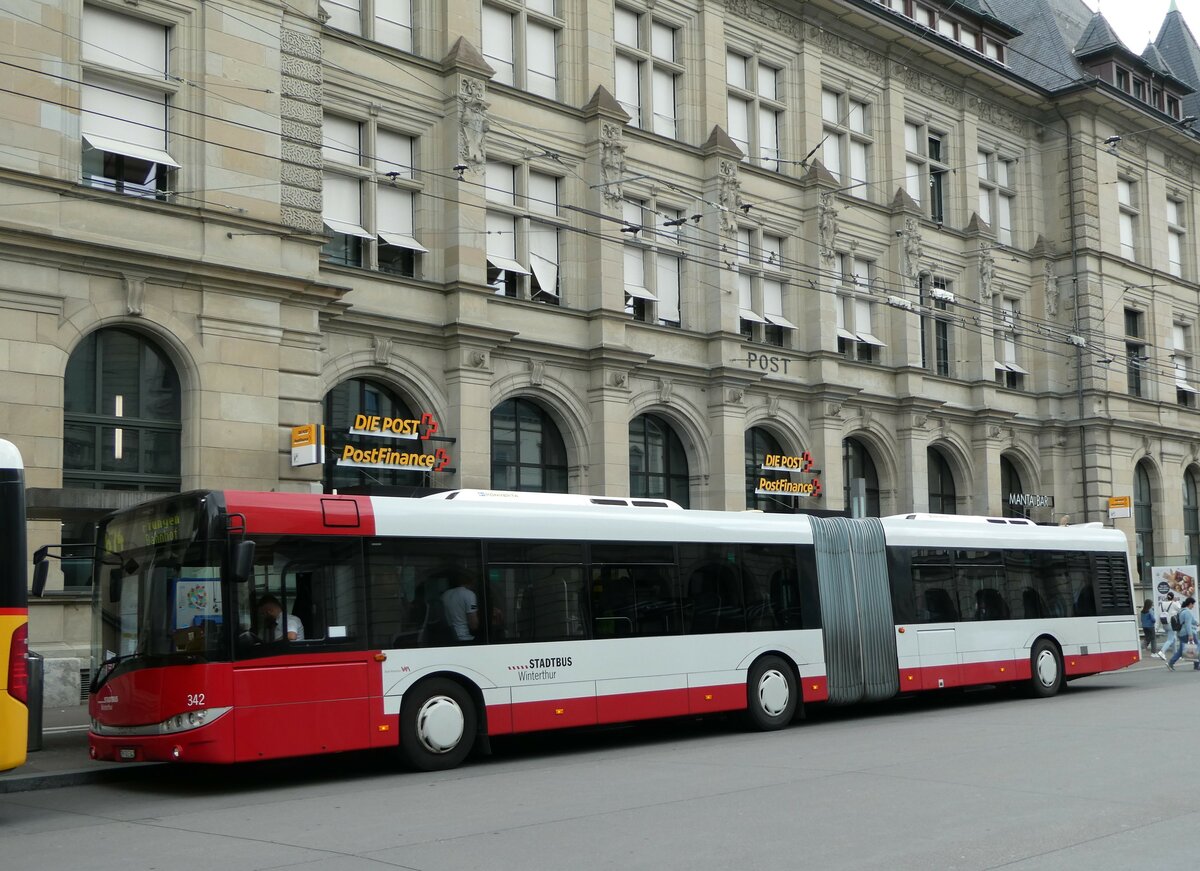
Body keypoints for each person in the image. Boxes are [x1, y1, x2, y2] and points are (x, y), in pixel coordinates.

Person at [440, 569, 479, 642]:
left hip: (449, 636)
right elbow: (473, 624)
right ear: (470, 582)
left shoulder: (445, 594)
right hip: (464, 637)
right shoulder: (469, 594)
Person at [1168, 596, 1199, 671]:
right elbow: (1188, 624)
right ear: (1190, 604)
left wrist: (1197, 623)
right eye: (1193, 604)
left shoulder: (1181, 611)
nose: (1193, 606)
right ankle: (1197, 665)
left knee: (1181, 650)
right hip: (1187, 633)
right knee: (1197, 647)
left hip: (1181, 633)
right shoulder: (1187, 612)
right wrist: (1190, 635)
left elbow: (1191, 621)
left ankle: (1171, 663)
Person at [1156, 592, 1181, 662]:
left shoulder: (1161, 604)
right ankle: (1162, 652)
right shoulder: (1173, 604)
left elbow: (1158, 615)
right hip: (1171, 624)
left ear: (1167, 597)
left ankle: (1176, 655)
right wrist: (1177, 601)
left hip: (1164, 624)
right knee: (1170, 639)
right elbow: (1180, 609)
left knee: (1174, 639)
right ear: (1173, 597)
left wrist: (1157, 626)